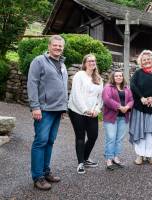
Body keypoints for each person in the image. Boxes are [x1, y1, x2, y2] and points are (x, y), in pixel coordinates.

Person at [27, 35, 68, 190]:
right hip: (44, 110)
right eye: (55, 45)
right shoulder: (39, 61)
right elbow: (32, 84)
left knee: (50, 141)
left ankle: (45, 171)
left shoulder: (63, 64)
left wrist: (63, 107)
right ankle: (38, 177)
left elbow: (63, 88)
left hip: (58, 110)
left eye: (60, 46)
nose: (58, 48)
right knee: (41, 141)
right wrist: (35, 106)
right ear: (49, 46)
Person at [129, 50, 152, 165]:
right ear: (141, 61)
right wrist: (141, 98)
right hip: (140, 106)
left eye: (148, 59)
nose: (146, 61)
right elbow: (132, 86)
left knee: (150, 132)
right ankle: (140, 155)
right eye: (144, 59)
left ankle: (149, 155)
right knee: (140, 130)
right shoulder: (138, 73)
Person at [68, 54, 103, 174]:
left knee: (93, 136)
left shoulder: (98, 78)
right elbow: (76, 95)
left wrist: (97, 110)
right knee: (80, 136)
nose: (92, 63)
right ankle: (80, 163)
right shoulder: (79, 75)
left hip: (92, 112)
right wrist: (85, 110)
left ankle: (86, 158)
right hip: (77, 111)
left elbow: (100, 98)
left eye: (93, 61)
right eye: (89, 61)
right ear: (84, 63)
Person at [102, 70, 134, 170]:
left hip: (123, 117)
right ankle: (108, 159)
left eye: (120, 76)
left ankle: (116, 158)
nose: (119, 77)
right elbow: (107, 99)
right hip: (111, 117)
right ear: (113, 77)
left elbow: (132, 100)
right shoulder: (108, 87)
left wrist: (127, 106)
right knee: (111, 138)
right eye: (117, 76)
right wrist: (120, 107)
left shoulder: (127, 88)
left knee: (119, 139)